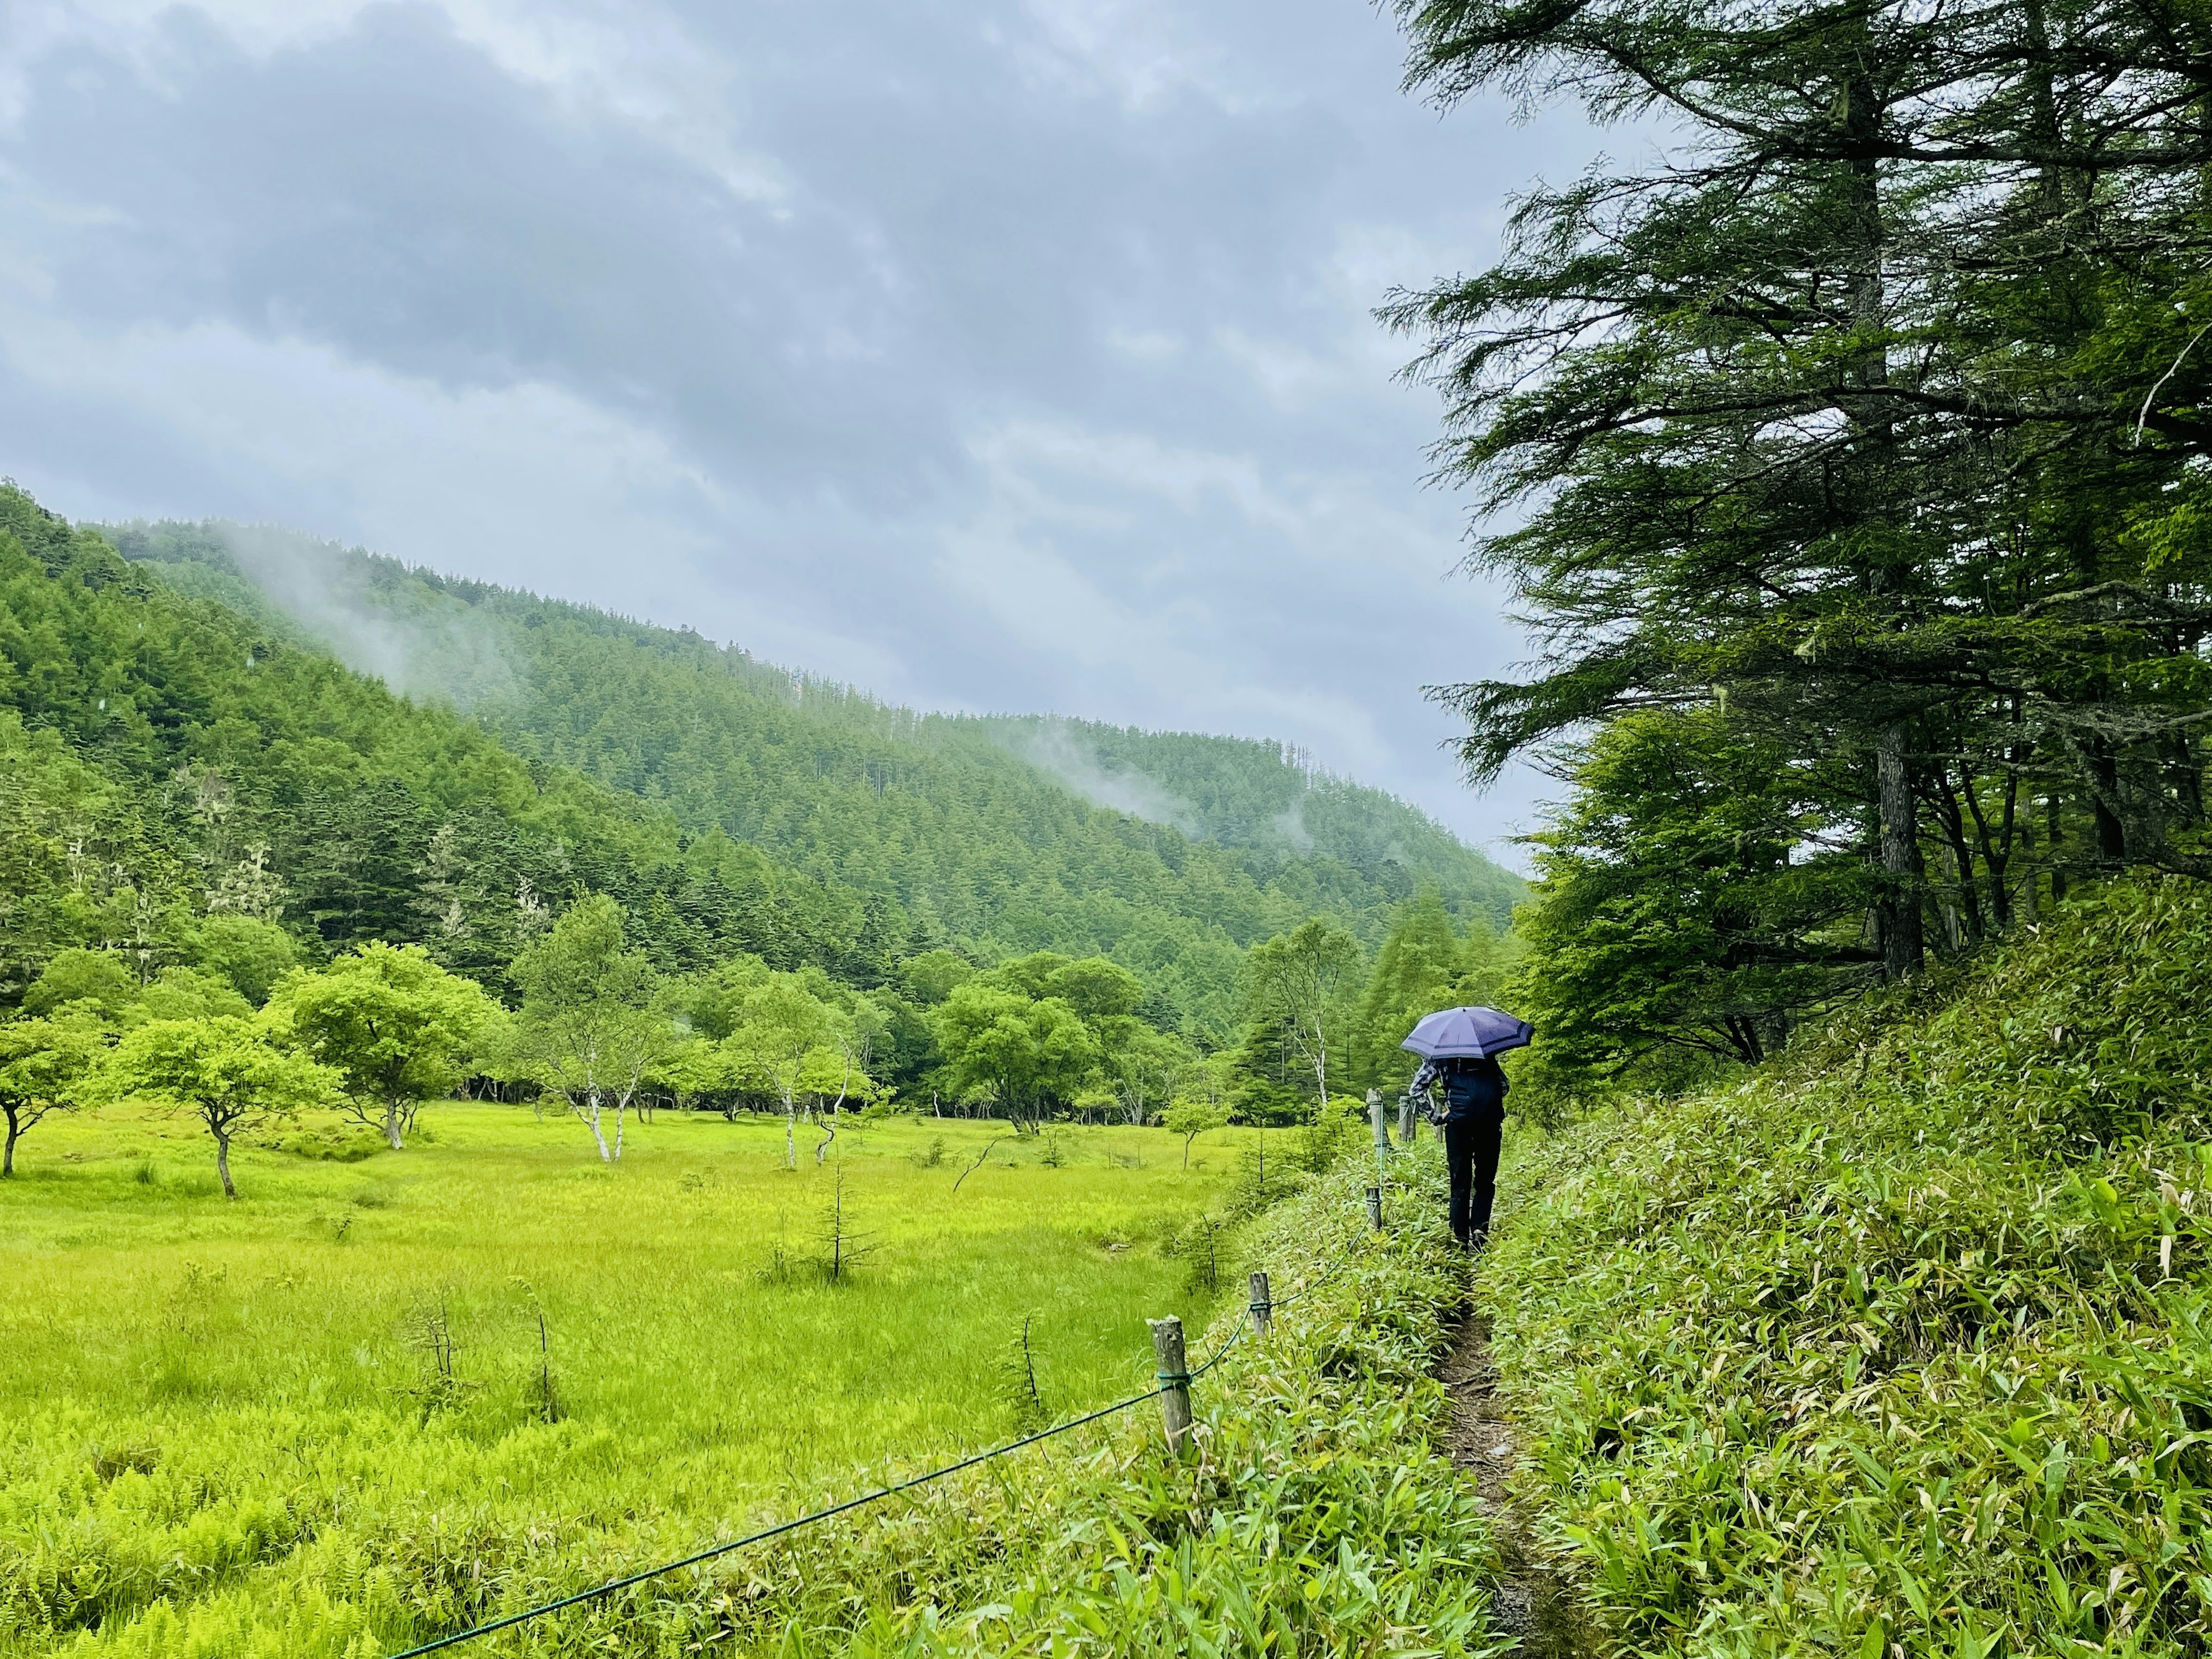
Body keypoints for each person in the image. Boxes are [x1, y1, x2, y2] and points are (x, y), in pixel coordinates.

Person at [1403, 1052, 1509, 1250]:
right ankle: (1479, 1231)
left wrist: (1436, 1116)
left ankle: (1460, 1237)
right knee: (1485, 1181)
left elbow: (1416, 1089)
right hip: (1489, 1125)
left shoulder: (1441, 1057)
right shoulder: (1485, 1054)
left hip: (1458, 1126)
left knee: (1460, 1181)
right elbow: (1504, 1087)